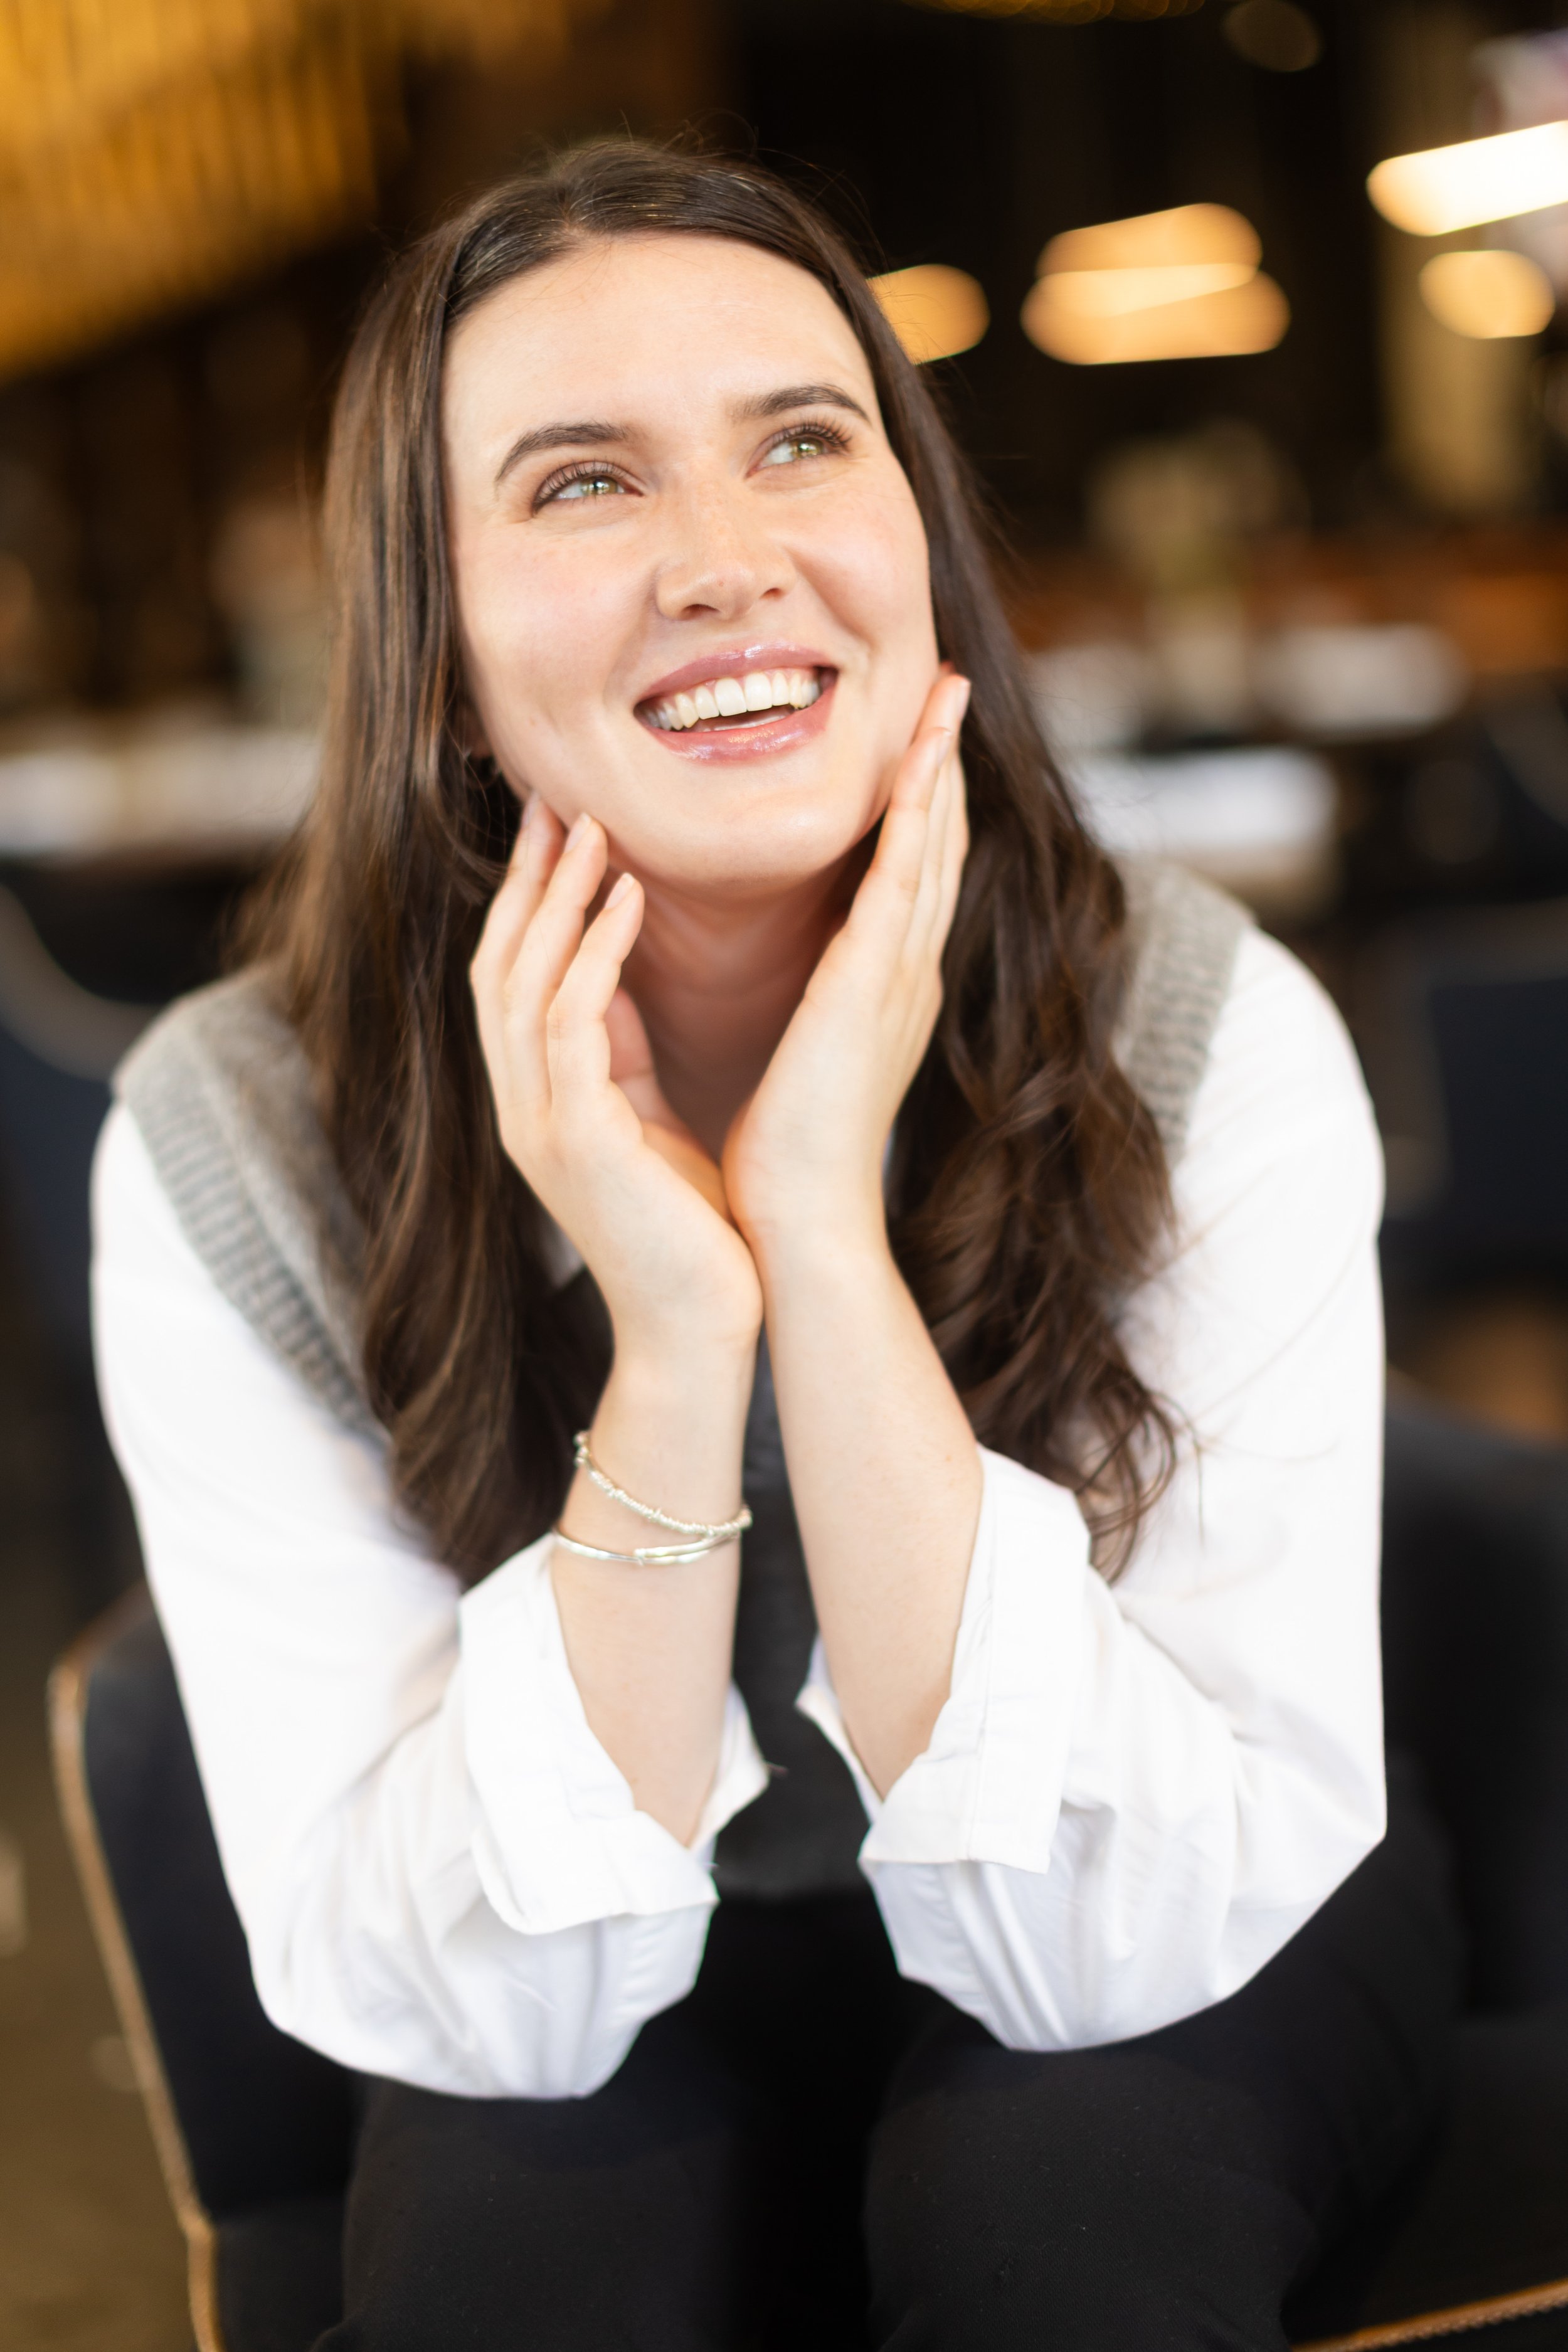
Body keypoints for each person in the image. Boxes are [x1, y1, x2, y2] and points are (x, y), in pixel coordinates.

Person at [92, 141, 1459, 2351]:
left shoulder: (1195, 1029)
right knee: (504, 2275)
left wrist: (822, 1231)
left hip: (1180, 1885)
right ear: (431, 661)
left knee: (1059, 2215)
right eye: (578, 486)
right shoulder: (240, 1139)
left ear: (913, 549)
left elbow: (1120, 1945)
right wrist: (673, 1324)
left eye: (799, 443)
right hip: (585, 1940)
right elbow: (480, 2002)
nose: (726, 564)